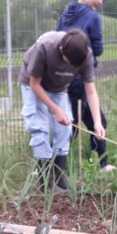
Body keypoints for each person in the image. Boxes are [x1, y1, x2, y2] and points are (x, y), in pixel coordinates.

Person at [19, 28, 105, 192]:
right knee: (40, 128)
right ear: (61, 50)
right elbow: (35, 84)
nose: (69, 66)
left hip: (59, 88)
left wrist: (97, 123)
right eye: (67, 61)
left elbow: (91, 90)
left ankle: (59, 177)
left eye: (74, 65)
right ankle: (45, 182)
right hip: (33, 85)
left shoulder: (85, 55)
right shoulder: (45, 47)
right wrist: (56, 110)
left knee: (66, 128)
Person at [57, 0, 115, 172]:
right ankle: (100, 165)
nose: (100, 1)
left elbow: (59, 41)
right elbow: (98, 49)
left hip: (64, 77)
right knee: (86, 124)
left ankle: (58, 166)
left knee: (76, 123)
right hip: (82, 78)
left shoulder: (66, 13)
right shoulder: (93, 17)